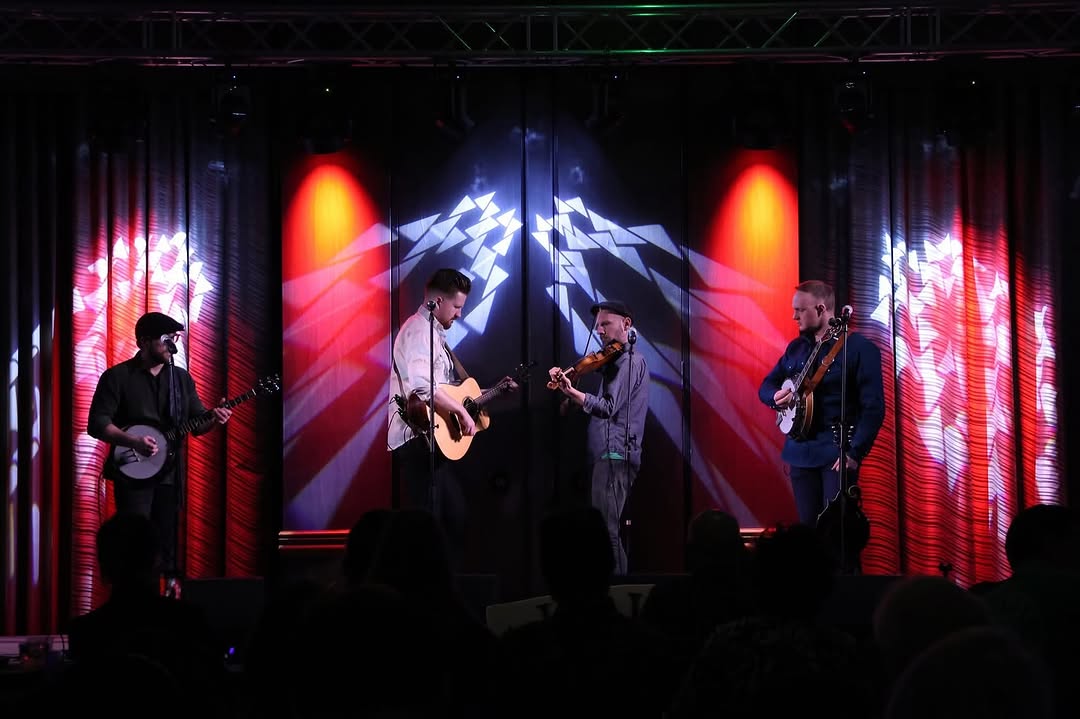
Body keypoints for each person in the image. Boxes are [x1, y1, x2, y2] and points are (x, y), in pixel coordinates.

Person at [87, 311, 231, 596]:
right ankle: (132, 603)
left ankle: (161, 604)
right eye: (166, 339)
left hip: (169, 476)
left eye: (175, 339)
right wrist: (132, 440)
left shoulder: (181, 379)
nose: (172, 345)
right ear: (144, 341)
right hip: (134, 475)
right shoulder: (118, 377)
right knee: (135, 544)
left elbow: (197, 424)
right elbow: (97, 423)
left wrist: (215, 418)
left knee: (164, 546)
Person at [387, 268, 516, 569]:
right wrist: (460, 412)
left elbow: (448, 391)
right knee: (427, 529)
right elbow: (423, 387)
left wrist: (491, 392)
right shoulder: (419, 332)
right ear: (439, 302)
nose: (459, 314)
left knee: (452, 520)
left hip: (433, 443)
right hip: (417, 441)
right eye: (457, 307)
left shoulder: (435, 336)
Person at [758, 281, 884, 568]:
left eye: (800, 310)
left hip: (836, 455)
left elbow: (874, 408)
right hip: (800, 455)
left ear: (821, 309)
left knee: (837, 538)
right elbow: (766, 385)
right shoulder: (796, 349)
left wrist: (855, 452)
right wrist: (774, 396)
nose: (794, 316)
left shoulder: (859, 349)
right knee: (808, 539)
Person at [548, 300, 649, 575]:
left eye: (605, 324)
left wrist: (572, 392)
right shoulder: (614, 363)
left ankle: (619, 593)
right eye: (598, 325)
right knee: (604, 533)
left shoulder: (629, 361)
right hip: (607, 454)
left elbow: (607, 408)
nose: (599, 330)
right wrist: (571, 388)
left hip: (616, 454)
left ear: (626, 325)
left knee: (608, 534)